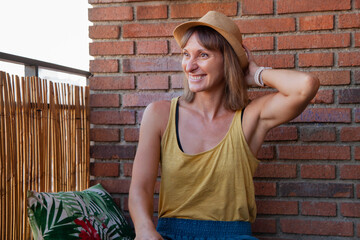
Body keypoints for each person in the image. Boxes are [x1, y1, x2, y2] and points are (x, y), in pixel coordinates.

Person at [129, 11, 319, 240]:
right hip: (170, 235)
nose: (190, 66)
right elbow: (140, 187)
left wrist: (256, 73)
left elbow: (306, 86)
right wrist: (144, 229)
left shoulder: (249, 118)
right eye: (186, 54)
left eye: (203, 55)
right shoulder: (160, 115)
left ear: (227, 60)